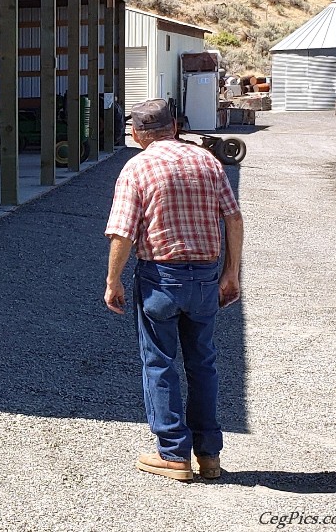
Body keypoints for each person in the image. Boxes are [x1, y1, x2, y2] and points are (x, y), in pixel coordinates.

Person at [103, 99, 243, 481]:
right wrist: (231, 273)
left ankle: (173, 455)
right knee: (203, 363)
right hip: (204, 277)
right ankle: (209, 455)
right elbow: (233, 217)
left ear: (135, 134)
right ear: (175, 126)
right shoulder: (208, 162)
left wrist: (113, 280)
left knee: (159, 363)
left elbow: (123, 232)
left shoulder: (137, 167)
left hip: (161, 278)